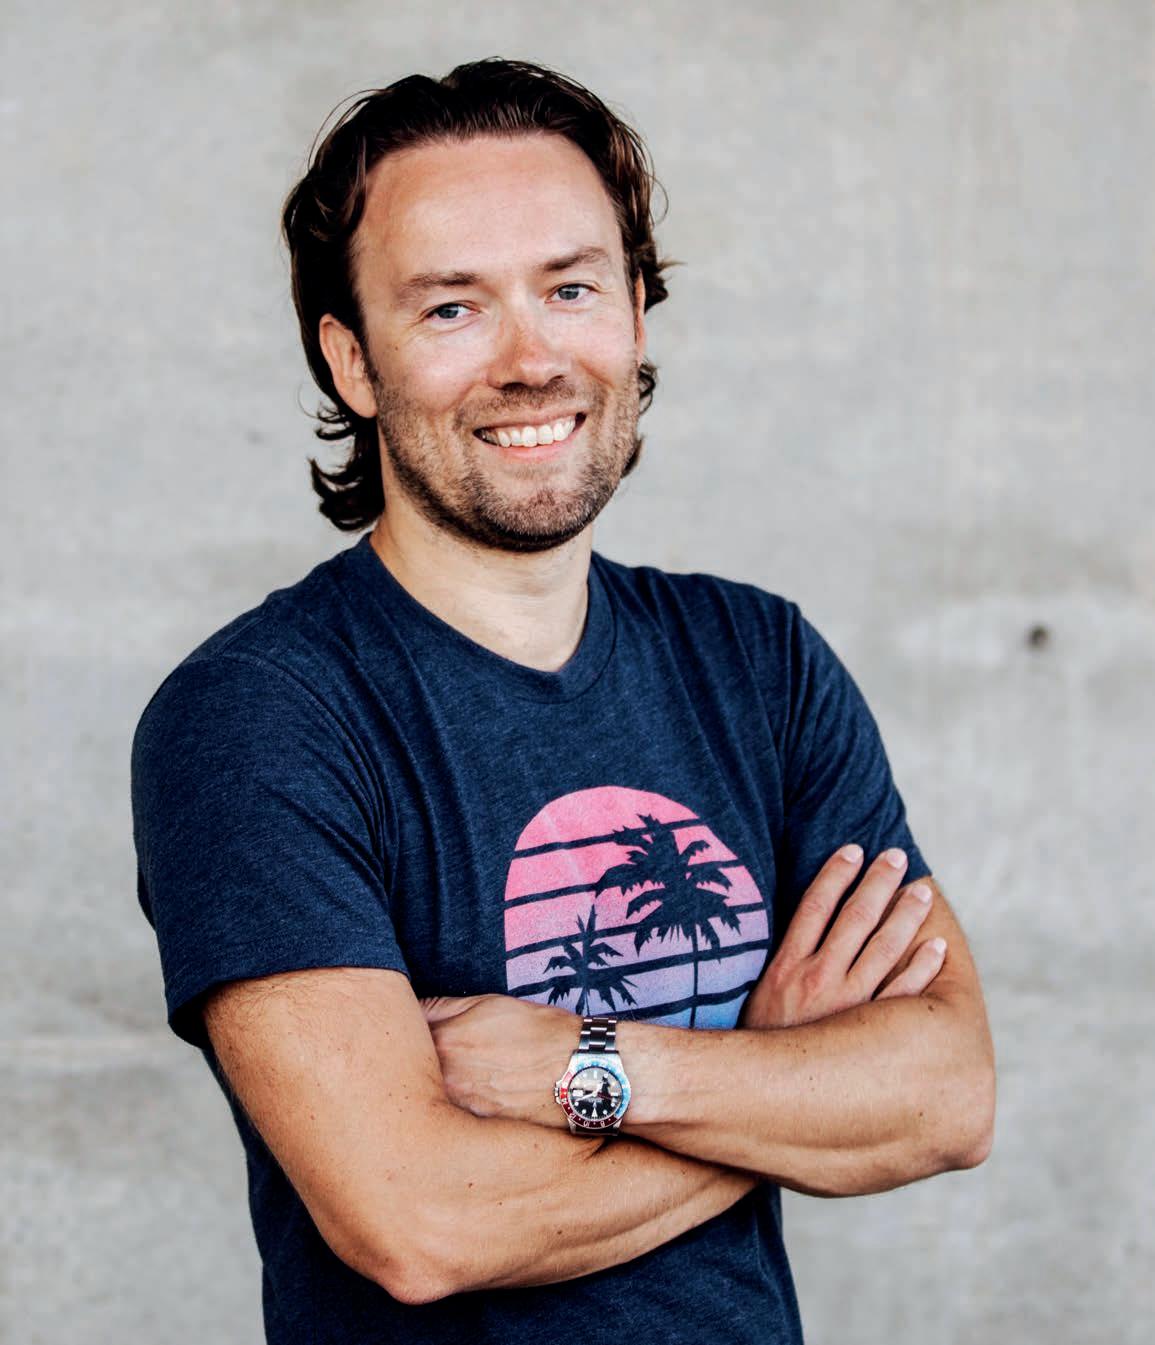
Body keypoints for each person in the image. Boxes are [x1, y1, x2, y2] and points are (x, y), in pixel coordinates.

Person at [130, 56, 995, 1345]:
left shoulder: (760, 661)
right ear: (352, 361)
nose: (531, 359)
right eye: (451, 308)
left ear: (636, 317)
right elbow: (421, 1223)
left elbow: (948, 1095)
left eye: (572, 288)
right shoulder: (257, 717)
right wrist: (772, 1074)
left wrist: (596, 1069)